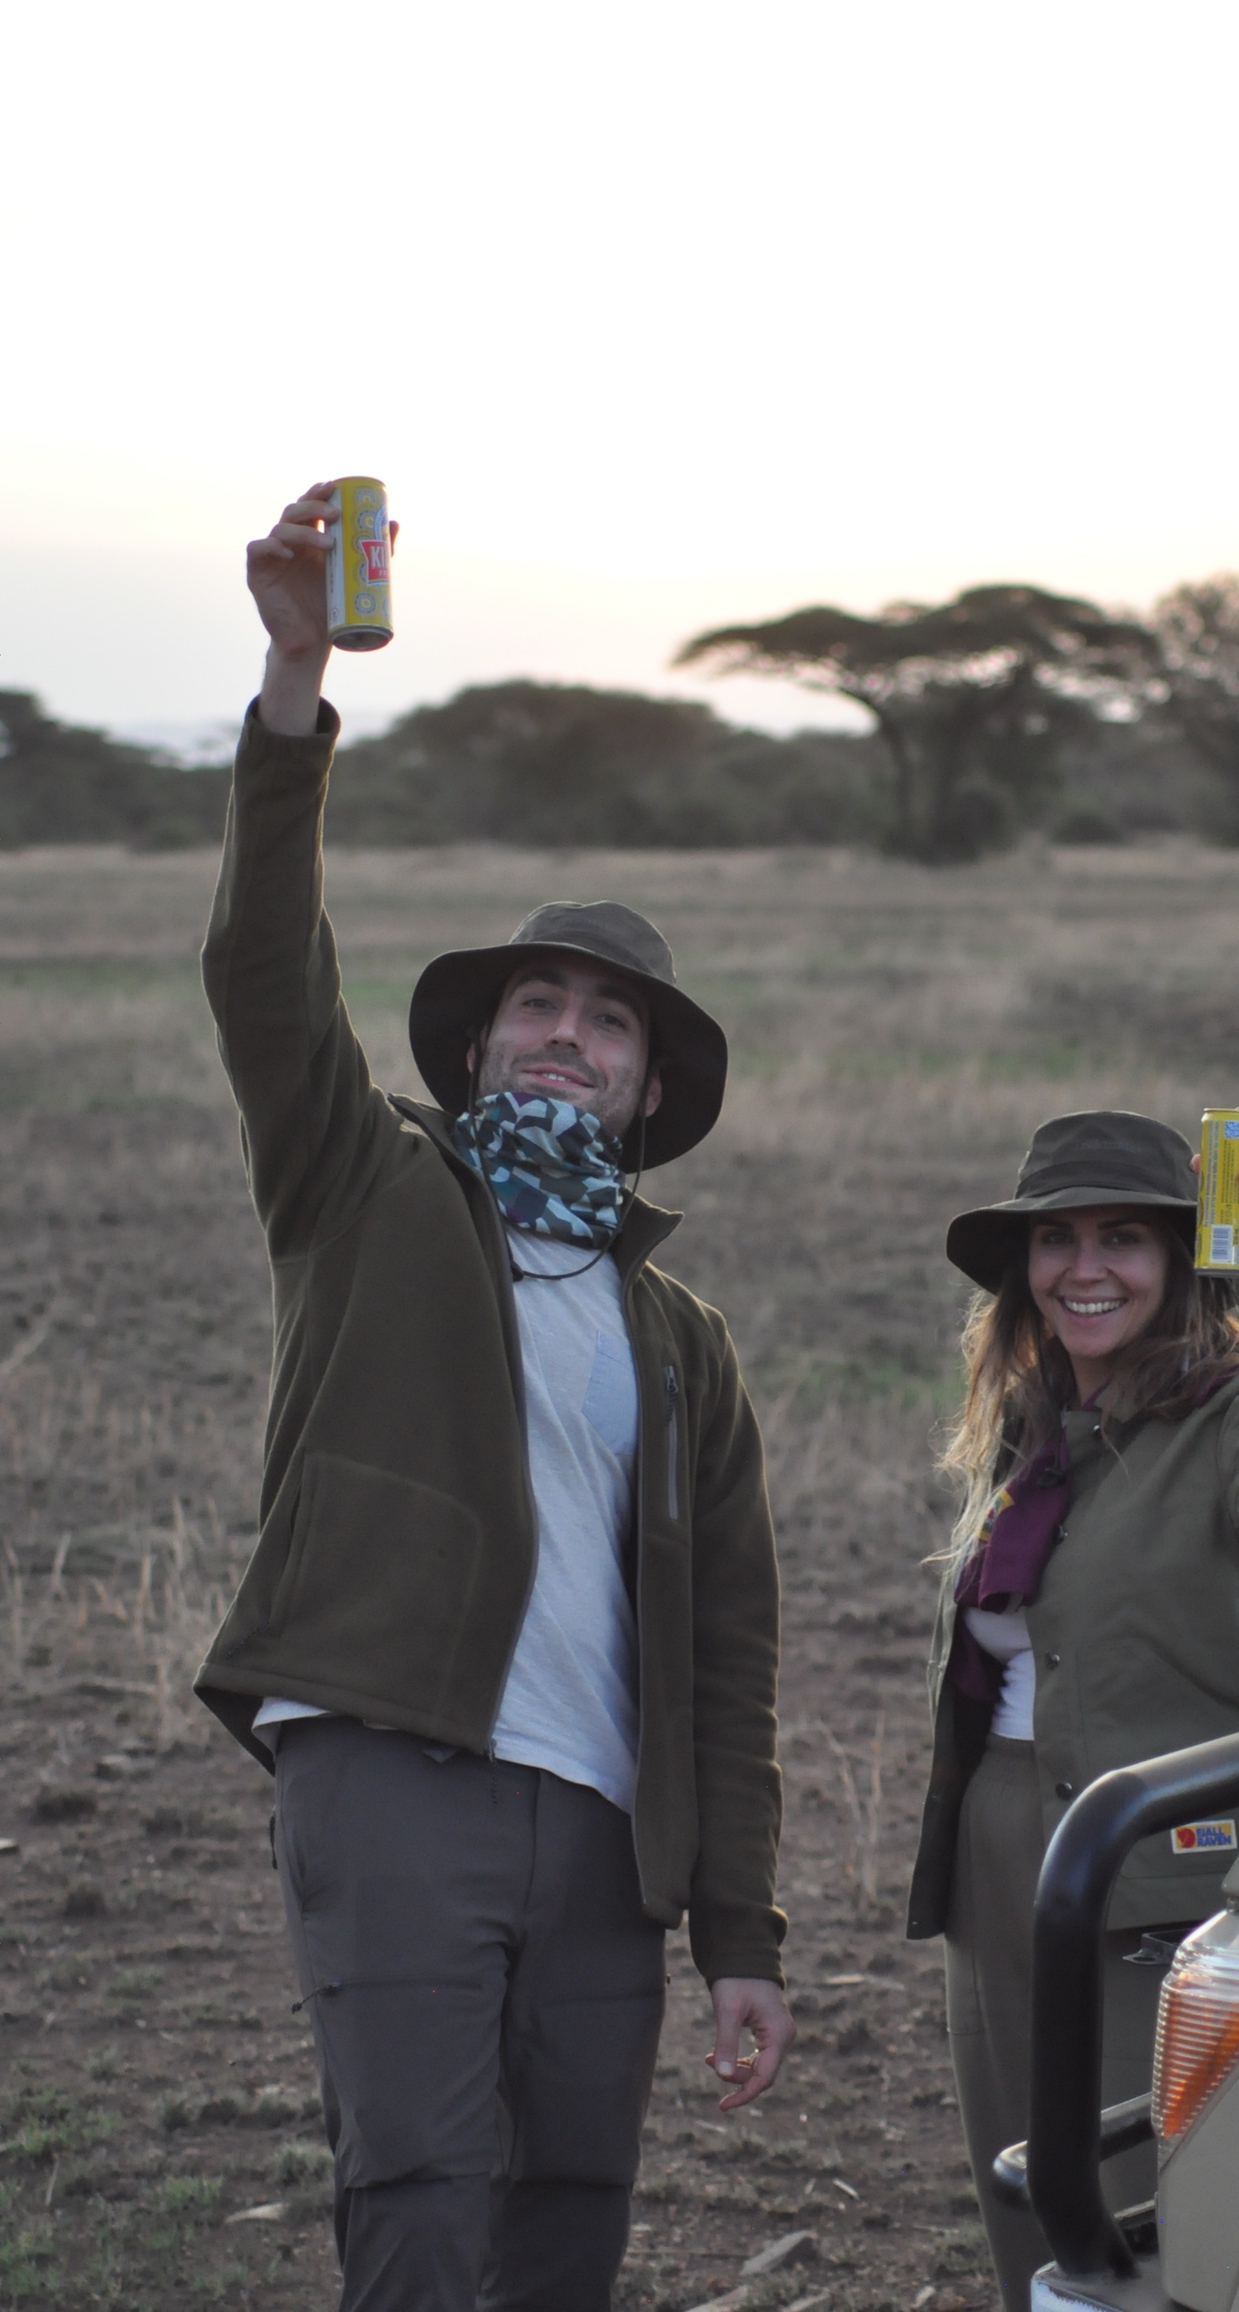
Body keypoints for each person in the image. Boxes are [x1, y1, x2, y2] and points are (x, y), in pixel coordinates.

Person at [194, 485, 794, 2312]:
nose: (566, 1032)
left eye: (608, 1023)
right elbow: (262, 973)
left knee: (570, 2212)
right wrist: (297, 679)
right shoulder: (368, 1187)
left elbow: (729, 1658)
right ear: (471, 1045)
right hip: (395, 1765)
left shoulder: (679, 1334)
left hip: (608, 1830)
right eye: (538, 1002)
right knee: (427, 2198)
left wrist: (741, 1932)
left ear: (641, 1089)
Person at [905, 1107, 1239, 2308]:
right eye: (1054, 1238)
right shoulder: (1028, 1430)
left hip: (1147, 1854)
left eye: (1123, 1237)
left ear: (1179, 1264)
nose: (1084, 1267)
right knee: (1022, 2189)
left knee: (1141, 2211)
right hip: (998, 1846)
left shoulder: (1227, 1420)